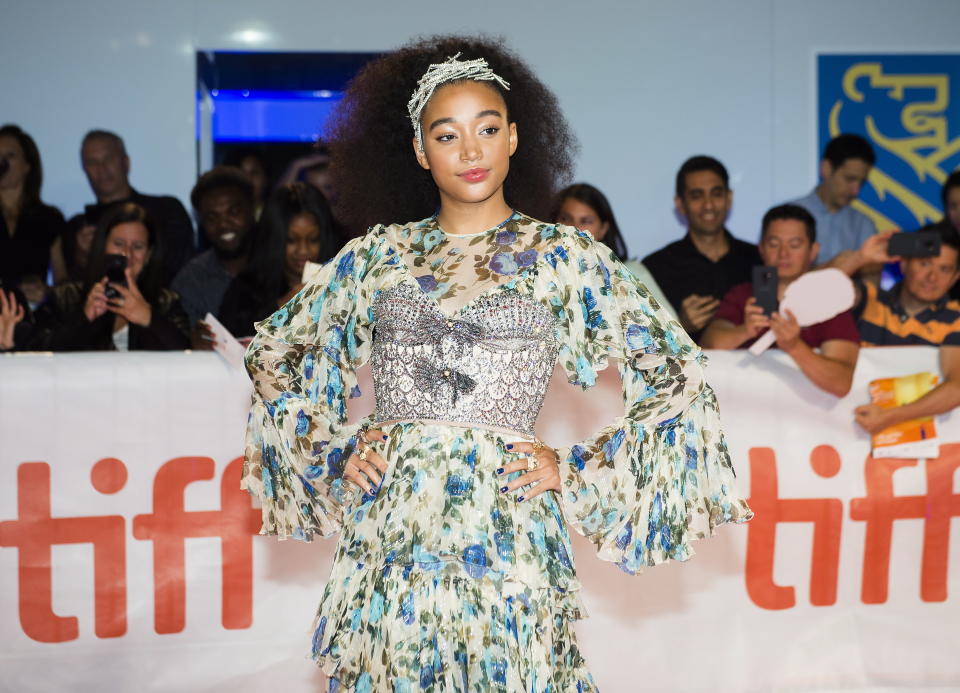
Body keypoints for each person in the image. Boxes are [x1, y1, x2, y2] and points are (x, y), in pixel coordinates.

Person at [241, 36, 751, 690]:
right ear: (422, 152)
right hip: (393, 527)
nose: (472, 149)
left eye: (487, 128)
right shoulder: (377, 255)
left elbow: (677, 374)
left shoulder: (564, 255)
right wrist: (336, 446)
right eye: (447, 135)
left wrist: (575, 464)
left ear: (513, 137)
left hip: (505, 523)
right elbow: (275, 353)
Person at [701, 204, 860, 397]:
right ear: (761, 248)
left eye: (794, 245)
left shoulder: (828, 300)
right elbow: (707, 349)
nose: (783, 254)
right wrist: (744, 331)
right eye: (774, 244)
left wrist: (795, 347)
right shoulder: (743, 295)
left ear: (813, 251)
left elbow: (841, 383)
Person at [831, 221, 960, 433]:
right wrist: (859, 258)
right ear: (903, 264)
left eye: (944, 269)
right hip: (847, 433)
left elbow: (957, 388)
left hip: (923, 450)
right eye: (925, 264)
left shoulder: (956, 319)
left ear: (955, 278)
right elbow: (810, 298)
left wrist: (890, 417)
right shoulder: (870, 298)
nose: (932, 277)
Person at [29, 202, 189, 351]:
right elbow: (38, 353)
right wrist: (83, 318)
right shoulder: (65, 297)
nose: (127, 254)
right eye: (118, 244)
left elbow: (187, 359)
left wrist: (149, 318)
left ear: (148, 255)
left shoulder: (167, 303)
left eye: (138, 247)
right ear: (102, 246)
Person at [643, 155, 761, 341]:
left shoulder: (758, 259)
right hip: (686, 370)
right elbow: (641, 344)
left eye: (716, 194)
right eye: (697, 196)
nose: (708, 205)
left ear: (729, 198)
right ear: (680, 204)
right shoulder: (655, 268)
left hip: (753, 368)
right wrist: (679, 325)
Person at [54, 130, 195, 284]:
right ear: (85, 169)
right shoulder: (77, 228)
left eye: (108, 159)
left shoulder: (166, 210)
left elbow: (181, 271)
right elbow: (72, 294)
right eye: (92, 162)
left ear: (125, 162)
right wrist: (84, 257)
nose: (101, 168)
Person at [218, 182, 342, 337]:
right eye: (291, 240)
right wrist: (283, 306)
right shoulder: (246, 290)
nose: (303, 251)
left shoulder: (344, 283)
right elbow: (231, 341)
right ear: (274, 240)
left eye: (313, 240)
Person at [553, 182, 676, 318]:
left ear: (603, 229)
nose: (573, 229)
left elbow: (670, 329)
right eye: (565, 219)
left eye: (585, 221)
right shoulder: (539, 273)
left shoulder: (631, 274)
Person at [170, 166, 257, 346]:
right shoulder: (191, 279)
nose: (223, 224)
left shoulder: (279, 264)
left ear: (252, 210)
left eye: (233, 212)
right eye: (212, 217)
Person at [0, 124, 66, 306]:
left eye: (10, 156)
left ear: (27, 165)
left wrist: (45, 292)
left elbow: (63, 281)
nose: (2, 162)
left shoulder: (49, 218)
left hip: (32, 321)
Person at [789, 133, 878, 267]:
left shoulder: (864, 225)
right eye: (850, 179)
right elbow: (776, 274)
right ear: (826, 169)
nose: (856, 191)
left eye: (862, 182)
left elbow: (872, 278)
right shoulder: (787, 217)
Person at [223, 147, 270, 218]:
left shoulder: (275, 216)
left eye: (254, 173)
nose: (248, 179)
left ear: (265, 178)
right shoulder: (223, 219)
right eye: (242, 173)